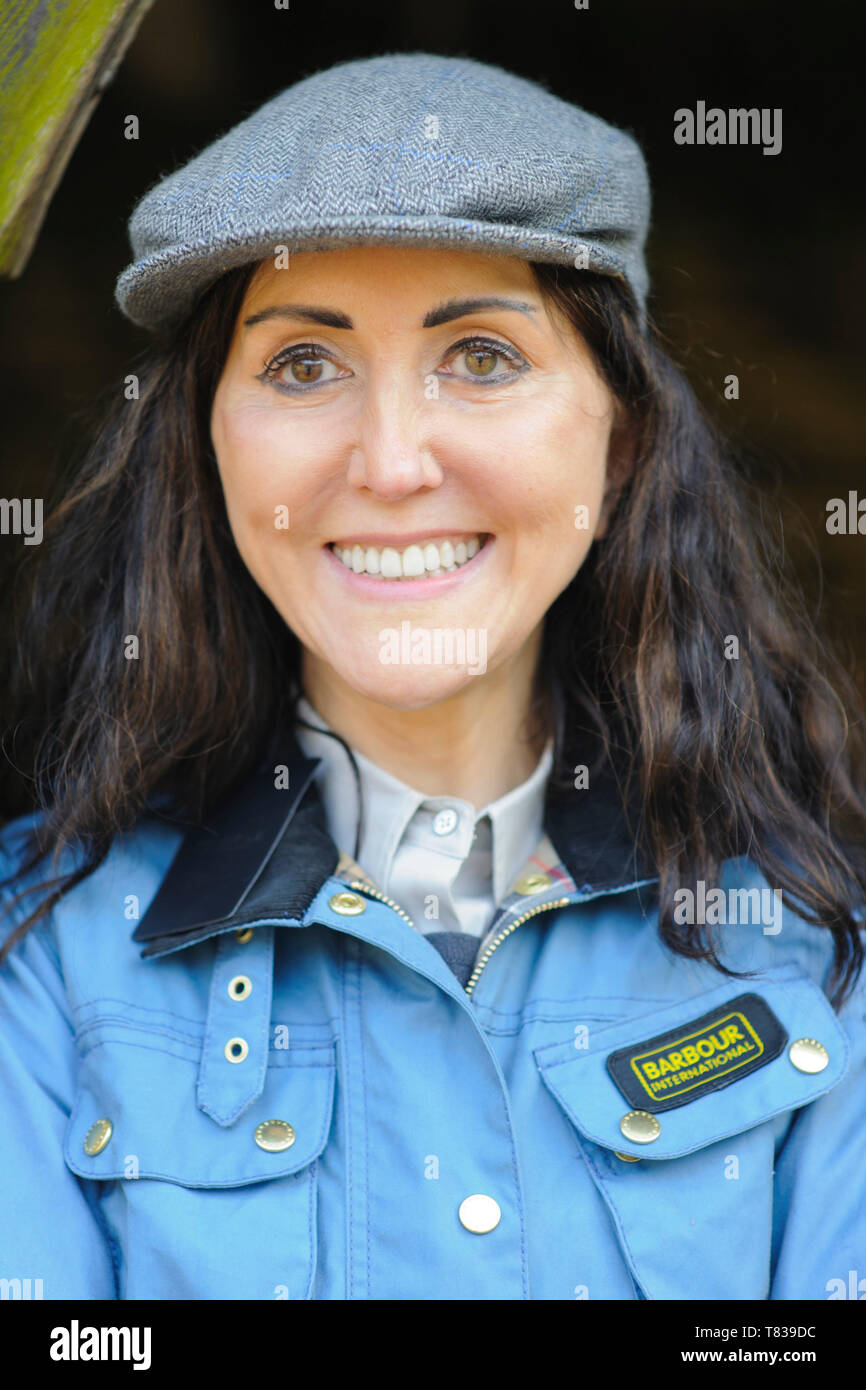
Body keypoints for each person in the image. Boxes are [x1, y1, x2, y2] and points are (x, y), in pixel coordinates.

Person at [1, 50, 864, 1302]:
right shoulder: (35, 956)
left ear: (618, 443)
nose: (392, 460)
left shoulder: (816, 946)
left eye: (481, 355)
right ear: (208, 446)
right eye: (303, 364)